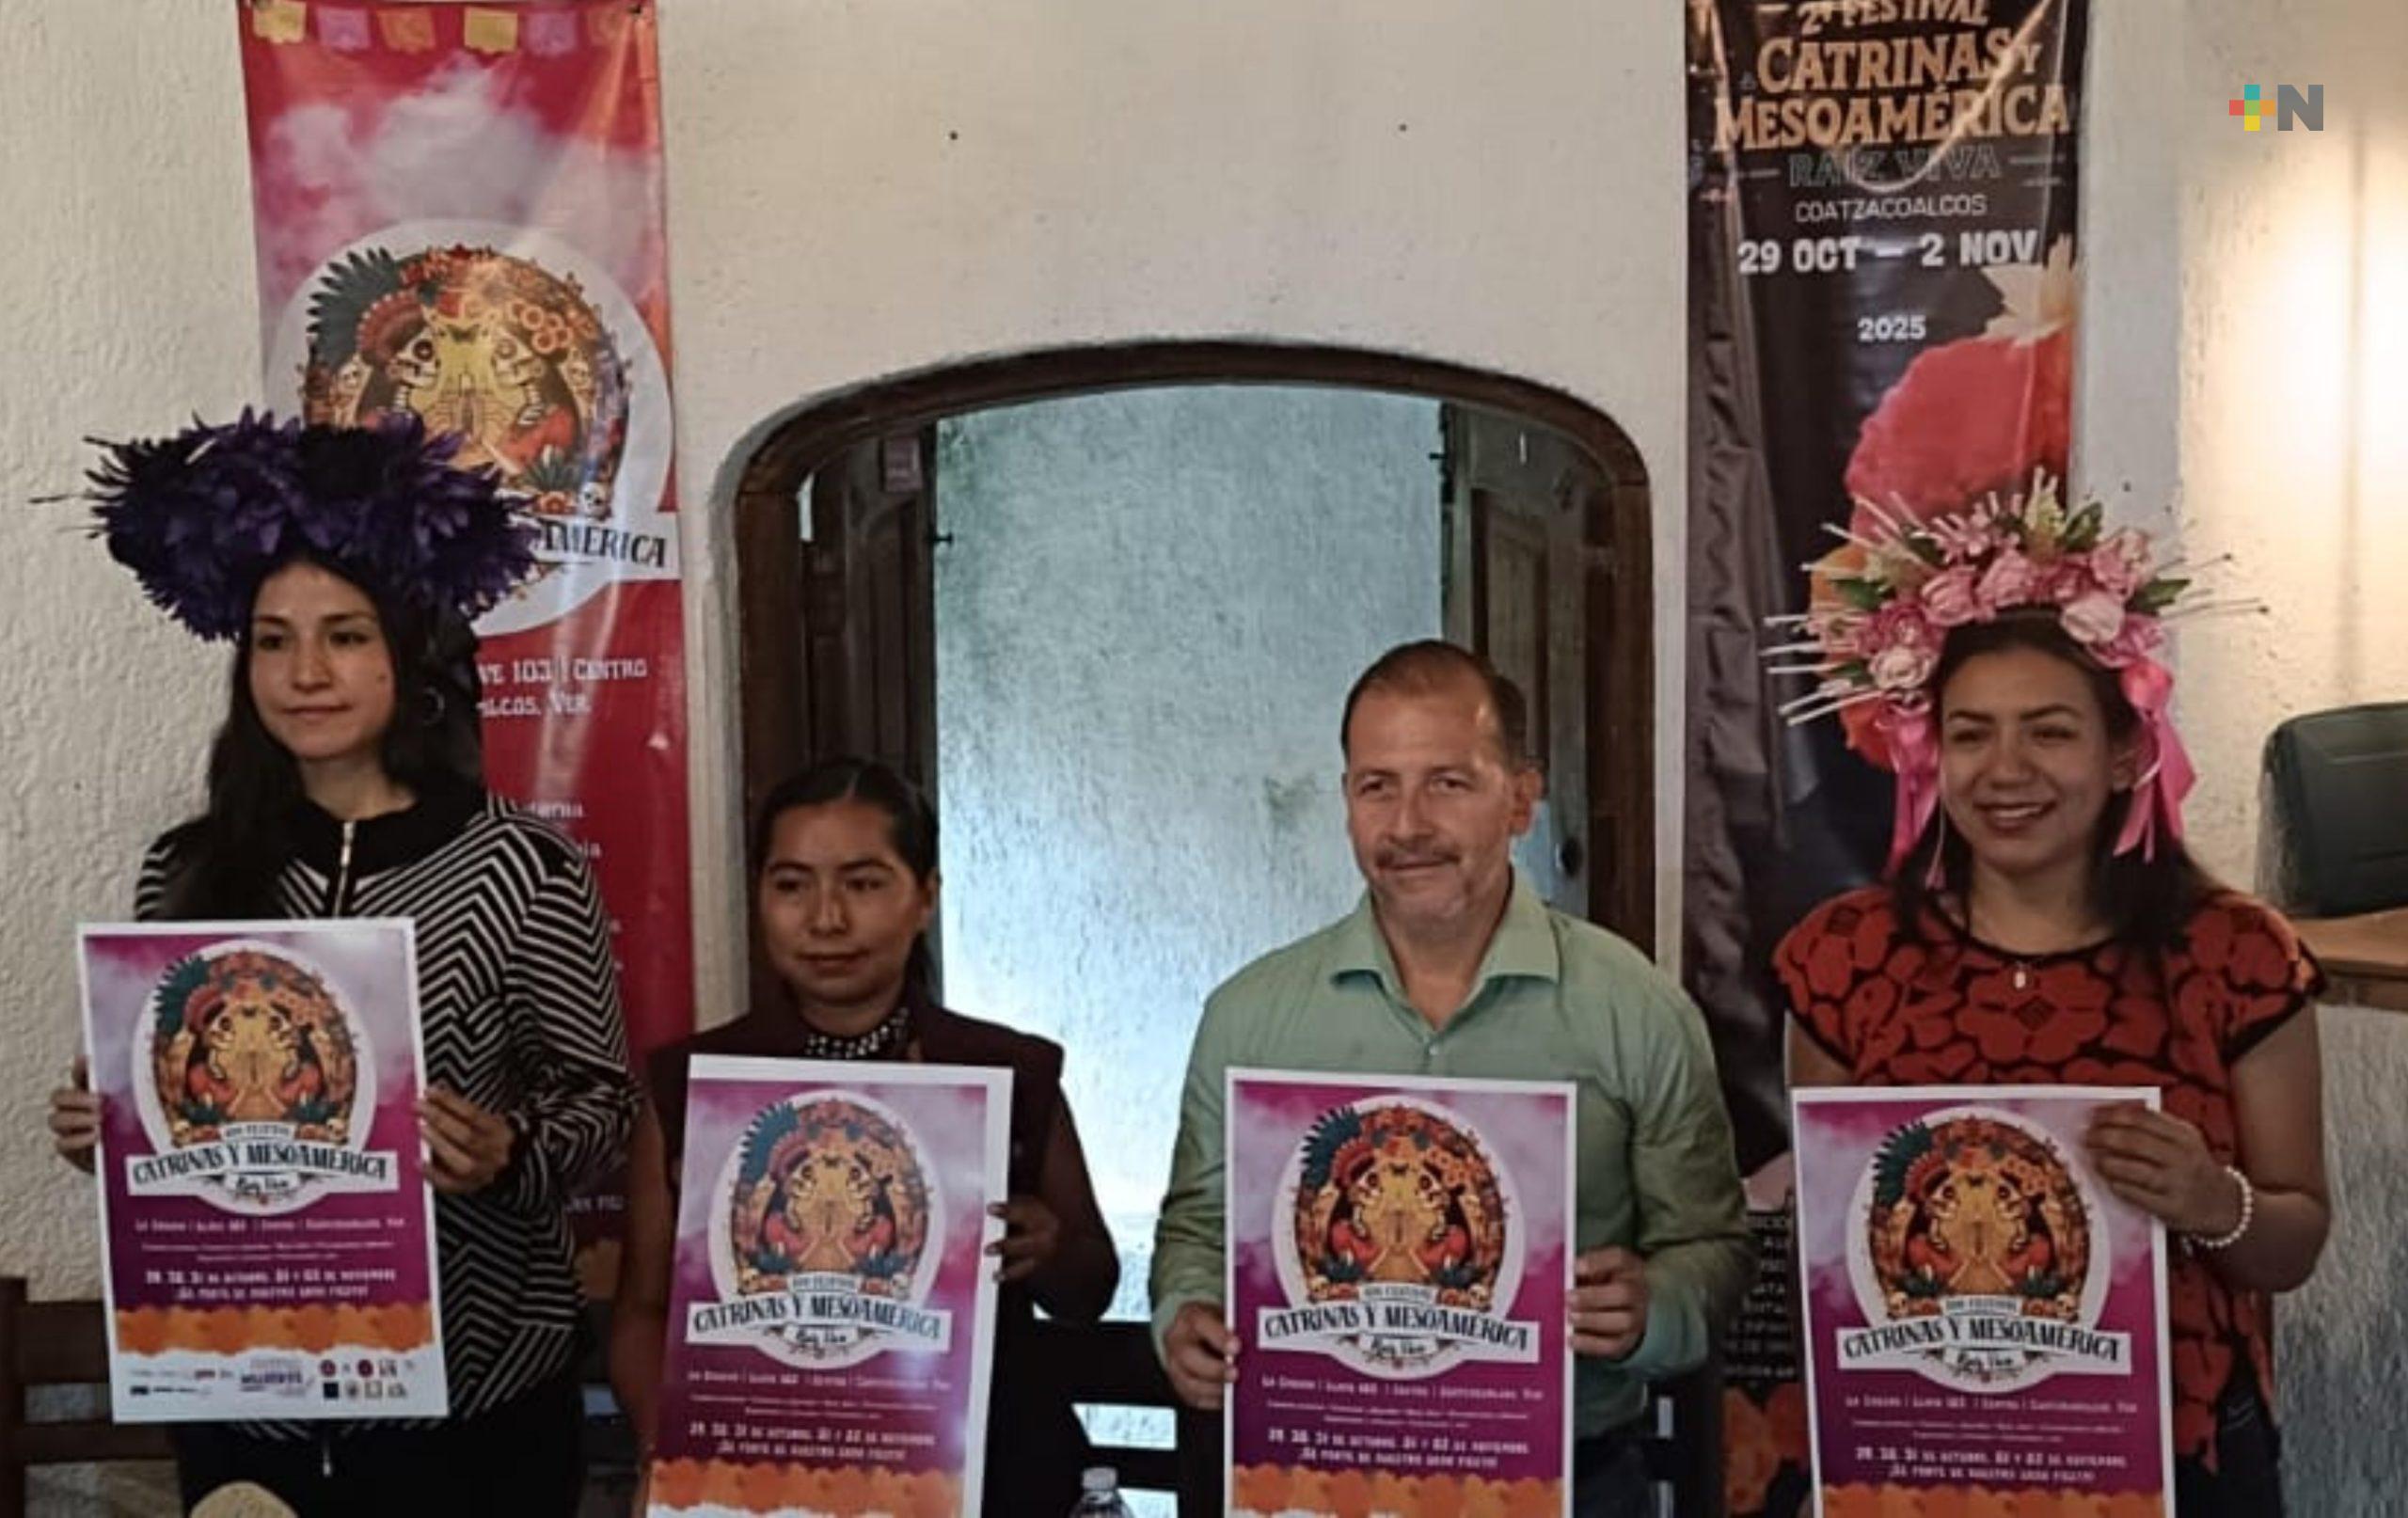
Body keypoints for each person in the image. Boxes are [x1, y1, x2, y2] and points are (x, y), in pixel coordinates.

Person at [46, 413, 641, 1515]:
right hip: (244, 1393)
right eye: (274, 642)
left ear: (406, 653)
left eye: (346, 636)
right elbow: (184, 1106)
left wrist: (507, 1149)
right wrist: (115, 1129)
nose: (306, 673)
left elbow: (602, 1102)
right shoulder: (187, 868)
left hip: (474, 1407)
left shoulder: (518, 867)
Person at [1770, 485, 2327, 1516]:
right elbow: (1832, 1238)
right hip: (1921, 1452)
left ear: (2124, 754)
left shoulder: (2235, 955)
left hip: (2177, 1451)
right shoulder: (1846, 959)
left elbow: (2295, 1242)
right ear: (1932, 753)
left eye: (2049, 732)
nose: (2006, 770)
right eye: (1971, 734)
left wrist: (2213, 1202)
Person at [1150, 640, 1752, 1518]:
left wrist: (1654, 1308)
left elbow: (1714, 1244)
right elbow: (1199, 1229)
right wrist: (1185, 1312)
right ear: (1347, 801)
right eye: (1377, 786)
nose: (1408, 825)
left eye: (1448, 783)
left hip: (1574, 1482)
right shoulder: (1248, 1019)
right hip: (1314, 1481)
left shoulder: (1638, 1012)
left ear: (1521, 799)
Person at [612, 758, 1119, 1516]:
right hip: (770, 1482)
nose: (826, 920)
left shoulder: (1004, 1071)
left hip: (989, 1473)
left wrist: (1049, 1249)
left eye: (864, 883)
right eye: (792, 885)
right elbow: (642, 1312)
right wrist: (670, 1450)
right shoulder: (696, 1086)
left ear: (926, 897)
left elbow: (1090, 1290)